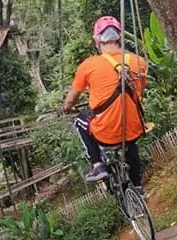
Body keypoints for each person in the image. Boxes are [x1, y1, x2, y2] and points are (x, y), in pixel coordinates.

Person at [61, 16, 148, 193]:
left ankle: (97, 164)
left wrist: (66, 108)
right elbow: (140, 91)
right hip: (135, 127)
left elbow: (71, 99)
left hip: (106, 132)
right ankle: (138, 186)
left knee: (80, 120)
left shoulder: (89, 65)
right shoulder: (139, 62)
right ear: (119, 37)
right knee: (130, 142)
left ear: (97, 40)